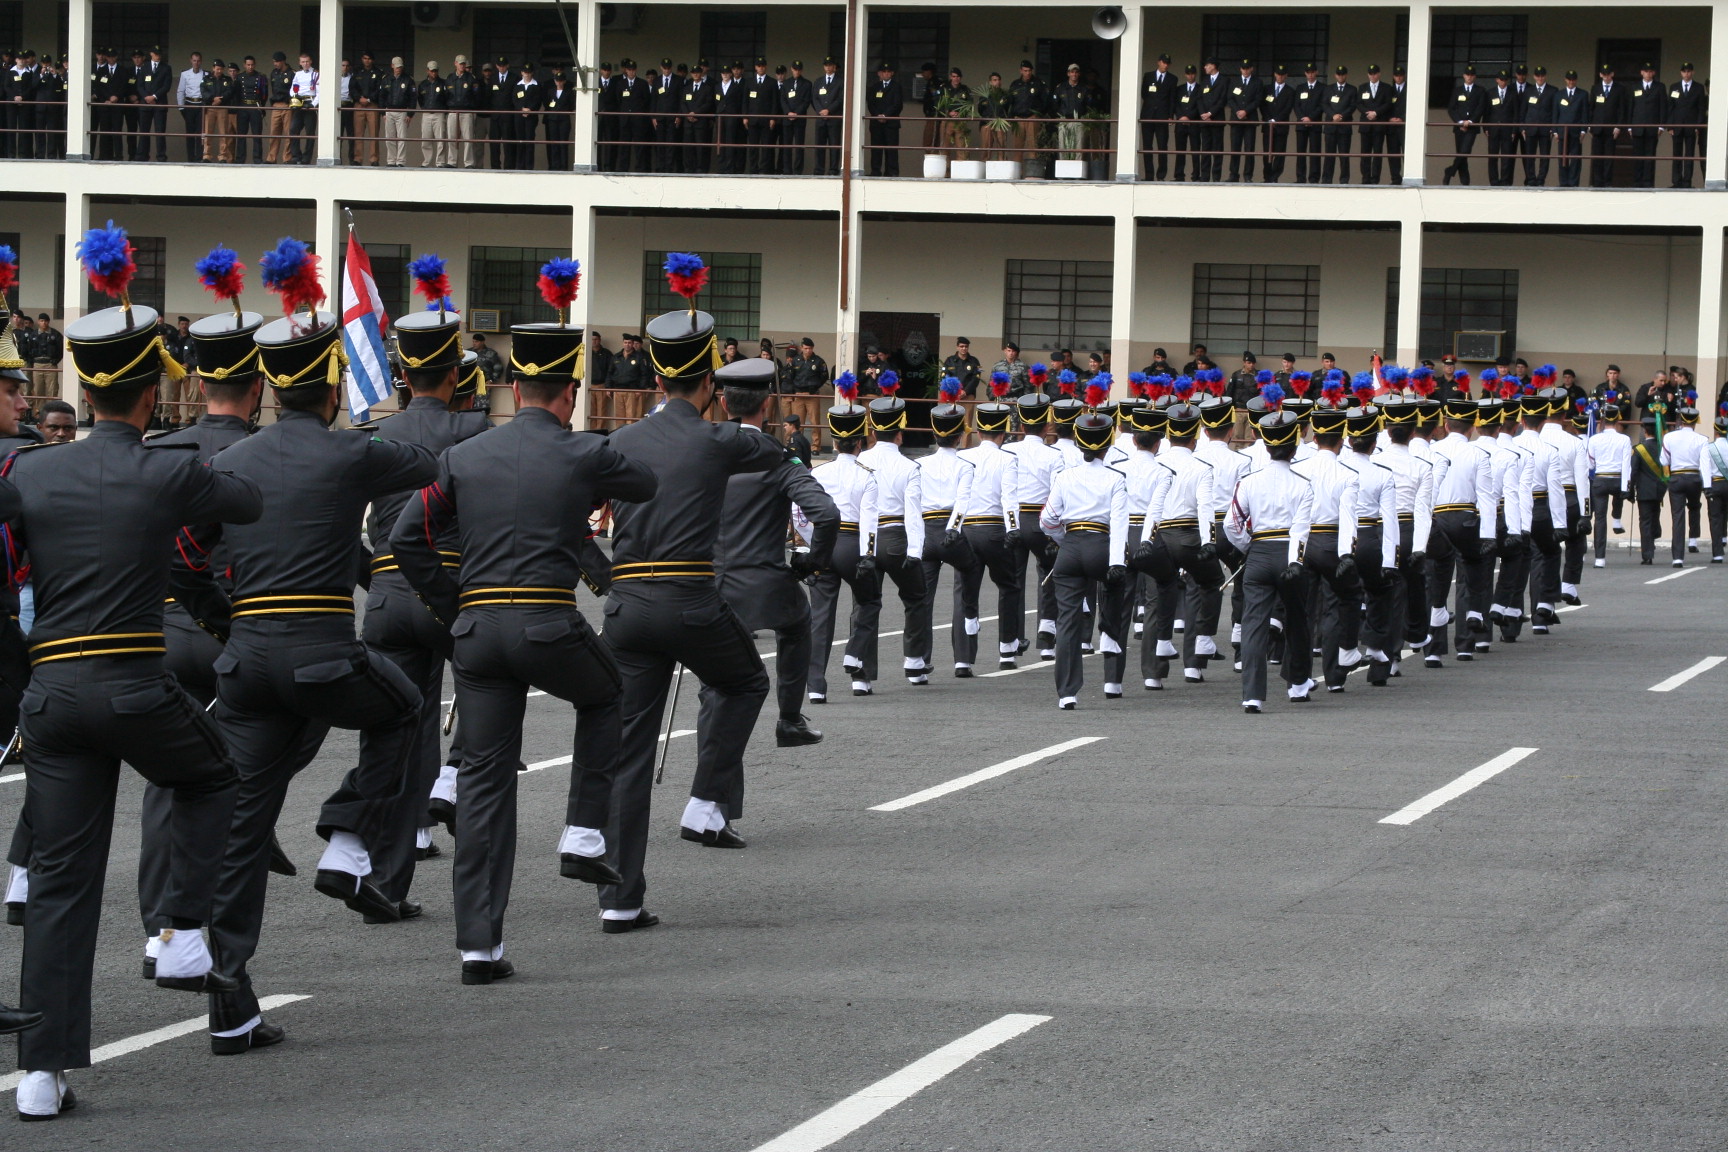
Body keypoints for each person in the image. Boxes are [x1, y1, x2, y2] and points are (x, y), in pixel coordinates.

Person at [10, 245, 264, 1115]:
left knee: (61, 880)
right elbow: (246, 503)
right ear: (153, 391)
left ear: (84, 390)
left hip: (52, 695)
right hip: (133, 686)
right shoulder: (170, 468)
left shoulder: (29, 470)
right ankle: (183, 929)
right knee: (216, 776)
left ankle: (41, 1076)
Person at [180, 256, 438, 1053]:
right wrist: (367, 424)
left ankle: (230, 1004)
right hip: (324, 655)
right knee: (404, 710)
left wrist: (224, 620)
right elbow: (425, 465)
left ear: (266, 384)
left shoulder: (226, 462)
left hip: (247, 662)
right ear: (331, 381)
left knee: (243, 828)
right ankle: (347, 836)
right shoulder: (352, 453)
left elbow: (182, 556)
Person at [390, 276, 657, 980]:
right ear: (569, 391)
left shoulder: (465, 455)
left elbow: (408, 536)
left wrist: (452, 605)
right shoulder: (582, 450)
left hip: (477, 632)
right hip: (547, 624)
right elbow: (644, 484)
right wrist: (588, 478)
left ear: (512, 388)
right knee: (609, 695)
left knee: (482, 783)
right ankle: (583, 830)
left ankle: (479, 946)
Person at [598, 260, 783, 930]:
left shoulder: (618, 440)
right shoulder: (720, 439)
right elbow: (773, 452)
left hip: (625, 606)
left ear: (654, 378)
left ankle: (620, 899)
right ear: (710, 381)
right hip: (691, 600)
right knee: (747, 682)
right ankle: (707, 796)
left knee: (628, 754)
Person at [355, 289, 493, 921]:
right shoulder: (473, 429)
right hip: (455, 586)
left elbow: (349, 532)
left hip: (387, 591)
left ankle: (388, 877)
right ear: (455, 376)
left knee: (396, 726)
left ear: (404, 377)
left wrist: (377, 582)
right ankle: (452, 779)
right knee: (494, 690)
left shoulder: (376, 433)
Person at [1226, 405, 1315, 711]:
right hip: (1289, 553)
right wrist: (1295, 562)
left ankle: (1252, 694)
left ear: (1266, 445)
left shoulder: (1249, 481)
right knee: (1298, 620)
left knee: (1253, 623)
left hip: (1260, 552)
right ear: (1294, 447)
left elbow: (1231, 525)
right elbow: (1301, 529)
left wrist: (1248, 547)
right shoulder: (1303, 483)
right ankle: (1298, 685)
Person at [1042, 405, 1130, 707]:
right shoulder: (1116, 478)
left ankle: (1067, 693)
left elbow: (1047, 520)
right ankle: (1108, 631)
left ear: (1079, 443)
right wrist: (1117, 562)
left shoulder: (1065, 476)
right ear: (1108, 443)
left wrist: (1063, 539)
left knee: (1067, 621)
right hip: (1101, 543)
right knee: (1118, 586)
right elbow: (1119, 522)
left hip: (1070, 545)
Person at [806, 380, 880, 700]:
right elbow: (870, 520)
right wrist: (869, 554)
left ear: (834, 442)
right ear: (860, 442)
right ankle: (855, 659)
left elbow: (800, 513)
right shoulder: (867, 475)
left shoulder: (818, 473)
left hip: (823, 544)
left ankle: (815, 687)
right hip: (852, 542)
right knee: (869, 602)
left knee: (820, 617)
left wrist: (810, 547)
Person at [953, 382, 1021, 672]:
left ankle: (963, 659)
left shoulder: (963, 456)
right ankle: (1007, 650)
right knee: (1009, 586)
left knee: (965, 590)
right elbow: (1009, 497)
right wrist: (1013, 528)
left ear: (979, 432)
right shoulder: (1008, 459)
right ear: (1003, 433)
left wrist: (953, 529)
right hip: (994, 529)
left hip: (967, 529)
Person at [1661, 401, 1707, 565]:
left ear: (1681, 419)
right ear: (1695, 421)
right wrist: (1707, 485)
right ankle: (1693, 539)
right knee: (1694, 507)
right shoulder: (1702, 439)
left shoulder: (1669, 437)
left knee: (1677, 517)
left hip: (1676, 478)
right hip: (1694, 477)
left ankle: (1677, 557)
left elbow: (1663, 460)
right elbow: (1705, 465)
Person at [1587, 397, 1632, 565]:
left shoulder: (1594, 439)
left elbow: (1590, 464)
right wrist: (1626, 486)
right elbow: (1626, 465)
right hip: (1617, 478)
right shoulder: (1624, 439)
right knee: (1618, 495)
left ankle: (1599, 558)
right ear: (1618, 419)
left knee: (1599, 519)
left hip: (1600, 478)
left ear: (1603, 419)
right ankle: (1617, 519)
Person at [1628, 415, 1667, 564]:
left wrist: (1630, 492)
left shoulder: (1638, 449)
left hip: (1644, 491)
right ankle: (1654, 535)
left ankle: (1648, 554)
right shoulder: (1662, 448)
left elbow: (1633, 472)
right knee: (1655, 516)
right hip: (1659, 489)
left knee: (1645, 522)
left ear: (1645, 431)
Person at [1445, 64, 1487, 185]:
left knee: (1465, 151)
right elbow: (1451, 108)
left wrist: (1471, 121)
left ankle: (1450, 171)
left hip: (1472, 127)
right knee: (1461, 154)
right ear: (1464, 76)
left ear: (1475, 77)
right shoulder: (1457, 90)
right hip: (1459, 127)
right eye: (1467, 75)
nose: (1469, 77)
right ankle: (1465, 181)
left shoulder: (1480, 91)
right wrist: (1460, 122)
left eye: (1471, 75)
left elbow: (1480, 108)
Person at [1589, 64, 1628, 188]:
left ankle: (1607, 182)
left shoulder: (1619, 89)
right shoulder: (1595, 88)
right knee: (1597, 156)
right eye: (1604, 74)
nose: (1606, 77)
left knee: (1609, 157)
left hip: (1612, 128)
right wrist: (1590, 125)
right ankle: (1597, 182)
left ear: (1612, 74)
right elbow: (1591, 108)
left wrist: (1618, 126)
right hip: (1597, 128)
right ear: (1600, 75)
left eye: (1608, 74)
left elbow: (1622, 109)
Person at [1140, 52, 1176, 181]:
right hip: (1148, 115)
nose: (1165, 65)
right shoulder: (1148, 76)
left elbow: (1172, 99)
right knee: (1147, 146)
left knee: (1162, 146)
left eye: (1167, 63)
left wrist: (1170, 116)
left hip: (1162, 116)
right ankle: (1149, 175)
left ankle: (1161, 175)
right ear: (1158, 62)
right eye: (1164, 62)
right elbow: (1144, 94)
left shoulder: (1172, 79)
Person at [1627, 61, 1664, 189]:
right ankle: (1637, 182)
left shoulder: (1659, 87)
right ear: (1641, 72)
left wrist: (1661, 126)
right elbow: (1630, 107)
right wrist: (1629, 126)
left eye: (1650, 71)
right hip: (1637, 127)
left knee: (1650, 156)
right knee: (1637, 156)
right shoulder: (1634, 87)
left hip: (1652, 128)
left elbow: (1662, 107)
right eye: (1646, 71)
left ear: (1653, 73)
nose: (1648, 74)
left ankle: (1648, 182)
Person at [1225, 58, 1262, 183]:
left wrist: (1246, 111)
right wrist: (1238, 111)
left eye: (1247, 68)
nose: (1245, 71)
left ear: (1252, 69)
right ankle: (1233, 174)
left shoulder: (1257, 82)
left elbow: (1258, 100)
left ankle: (1248, 175)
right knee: (1235, 148)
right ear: (1240, 69)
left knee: (1249, 148)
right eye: (1243, 68)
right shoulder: (1234, 81)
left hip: (1250, 119)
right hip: (1236, 119)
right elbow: (1230, 98)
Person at [1670, 62, 1706, 188]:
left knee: (1689, 155)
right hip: (1677, 126)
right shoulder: (1674, 87)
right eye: (1684, 71)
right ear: (1681, 73)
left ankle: (1687, 182)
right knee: (1676, 154)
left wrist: (1698, 126)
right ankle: (1676, 181)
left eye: (1689, 71)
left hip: (1691, 126)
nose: (1687, 74)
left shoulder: (1699, 88)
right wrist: (1670, 126)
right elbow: (1671, 108)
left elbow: (1701, 109)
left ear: (1693, 72)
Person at [1320, 64, 1357, 184]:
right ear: (1335, 75)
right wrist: (1333, 116)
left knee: (1344, 156)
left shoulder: (1352, 89)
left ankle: (1344, 180)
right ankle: (1326, 180)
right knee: (1329, 155)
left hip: (1344, 126)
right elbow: (1324, 104)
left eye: (1343, 74)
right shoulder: (1328, 89)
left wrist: (1341, 116)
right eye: (1339, 74)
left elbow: (1352, 105)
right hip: (1331, 126)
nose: (1341, 76)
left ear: (1346, 75)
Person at [1260, 64, 1296, 183]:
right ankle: (1267, 177)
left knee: (1279, 153)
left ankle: (1274, 177)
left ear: (1286, 76)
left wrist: (1276, 120)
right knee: (1267, 152)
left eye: (1282, 75)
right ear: (1275, 74)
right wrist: (1269, 119)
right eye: (1278, 74)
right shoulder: (1267, 89)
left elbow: (1288, 108)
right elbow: (1263, 106)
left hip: (1281, 126)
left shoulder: (1290, 91)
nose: (1280, 77)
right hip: (1268, 126)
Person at [868, 60, 904, 177]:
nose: (886, 74)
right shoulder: (875, 87)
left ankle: (892, 172)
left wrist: (885, 115)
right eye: (884, 71)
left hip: (891, 123)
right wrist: (878, 115)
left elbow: (897, 104)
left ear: (892, 73)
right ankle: (875, 171)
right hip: (876, 123)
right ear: (879, 73)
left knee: (891, 149)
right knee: (876, 149)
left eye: (889, 71)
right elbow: (871, 104)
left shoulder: (896, 86)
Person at [1703, 405, 1728, 562]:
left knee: (1715, 519)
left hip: (1716, 484)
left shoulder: (1709, 448)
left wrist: (1707, 488)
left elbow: (1705, 469)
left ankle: (1718, 553)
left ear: (1715, 430)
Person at [1484, 70, 1517, 188]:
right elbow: (1486, 112)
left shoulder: (1513, 93)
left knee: (1506, 157)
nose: (1503, 82)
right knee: (1492, 156)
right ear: (1497, 80)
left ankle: (1504, 181)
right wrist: (1485, 127)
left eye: (1505, 79)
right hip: (1493, 129)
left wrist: (1514, 130)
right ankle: (1493, 181)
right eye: (1501, 79)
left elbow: (1516, 113)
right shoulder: (1490, 93)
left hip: (1507, 129)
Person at [381, 56, 416, 167]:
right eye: (397, 67)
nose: (398, 69)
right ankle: (391, 161)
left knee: (402, 137)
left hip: (402, 110)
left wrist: (410, 114)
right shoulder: (386, 79)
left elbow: (413, 98)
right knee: (389, 137)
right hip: (389, 110)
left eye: (400, 67)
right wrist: (382, 113)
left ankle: (401, 161)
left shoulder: (408, 79)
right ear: (392, 66)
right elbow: (381, 96)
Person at [811, 56, 843, 176]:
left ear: (834, 67)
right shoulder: (818, 81)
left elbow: (840, 99)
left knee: (834, 145)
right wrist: (821, 111)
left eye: (830, 65)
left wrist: (829, 110)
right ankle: (819, 169)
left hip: (834, 118)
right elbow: (814, 98)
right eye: (826, 65)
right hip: (821, 118)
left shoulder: (840, 81)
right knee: (819, 145)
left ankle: (833, 169)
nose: (828, 67)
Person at [175, 50, 208, 163]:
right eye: (194, 60)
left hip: (201, 105)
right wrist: (181, 107)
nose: (196, 63)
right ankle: (190, 158)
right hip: (189, 104)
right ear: (191, 61)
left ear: (201, 61)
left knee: (200, 133)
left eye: (198, 61)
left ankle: (199, 158)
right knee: (189, 133)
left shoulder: (206, 74)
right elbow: (180, 91)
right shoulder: (185, 74)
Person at [417, 60, 450, 168]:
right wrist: (425, 108)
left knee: (441, 139)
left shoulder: (443, 83)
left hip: (439, 113)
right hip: (426, 114)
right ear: (427, 71)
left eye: (435, 71)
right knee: (426, 140)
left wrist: (443, 110)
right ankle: (427, 162)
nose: (434, 73)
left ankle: (440, 162)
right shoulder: (422, 85)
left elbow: (447, 98)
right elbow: (420, 99)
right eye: (432, 71)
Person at [289, 52, 319, 165]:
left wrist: (313, 104)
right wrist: (294, 96)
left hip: (310, 102)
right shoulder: (297, 74)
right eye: (303, 62)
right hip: (299, 102)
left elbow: (319, 92)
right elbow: (293, 88)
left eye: (307, 61)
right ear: (300, 63)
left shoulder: (316, 74)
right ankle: (296, 156)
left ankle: (306, 158)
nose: (305, 64)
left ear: (310, 62)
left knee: (309, 132)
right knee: (293, 129)